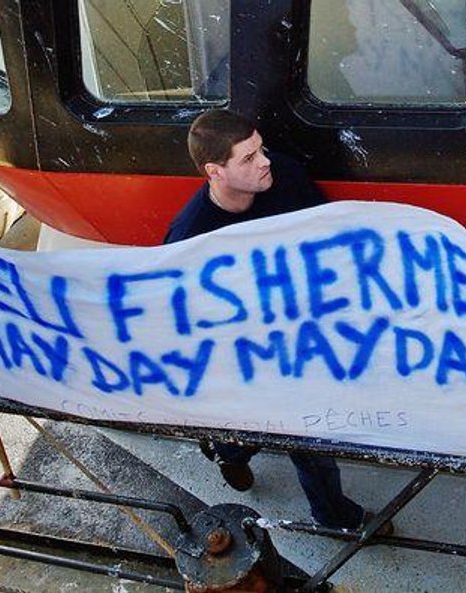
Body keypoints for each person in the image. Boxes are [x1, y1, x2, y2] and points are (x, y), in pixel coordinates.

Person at [165, 108, 390, 534]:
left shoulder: (283, 174)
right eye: (248, 159)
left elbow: (326, 236)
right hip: (245, 352)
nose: (264, 160)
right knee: (251, 430)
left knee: (311, 438)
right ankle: (228, 452)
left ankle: (334, 519)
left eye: (260, 148)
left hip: (302, 333)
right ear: (215, 171)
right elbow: (187, 318)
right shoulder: (191, 236)